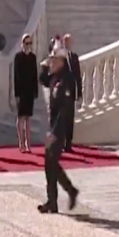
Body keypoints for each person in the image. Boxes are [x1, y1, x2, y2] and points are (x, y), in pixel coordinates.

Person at [38, 36, 79, 213]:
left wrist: (55, 133)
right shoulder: (55, 77)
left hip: (59, 130)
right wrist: (44, 66)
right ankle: (60, 196)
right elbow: (42, 80)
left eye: (54, 60)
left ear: (62, 61)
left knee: (51, 163)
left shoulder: (67, 80)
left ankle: (57, 197)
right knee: (50, 163)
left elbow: (66, 110)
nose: (52, 62)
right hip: (52, 127)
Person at [14, 33, 39, 153]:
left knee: (28, 118)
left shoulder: (33, 57)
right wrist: (17, 94)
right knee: (21, 117)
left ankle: (28, 143)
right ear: (22, 44)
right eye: (26, 43)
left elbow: (35, 75)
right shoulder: (18, 57)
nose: (28, 45)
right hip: (21, 91)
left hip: (30, 91)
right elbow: (16, 76)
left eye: (30, 43)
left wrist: (36, 91)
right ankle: (20, 142)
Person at [62, 34, 81, 152]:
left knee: (70, 119)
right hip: (62, 93)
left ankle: (69, 143)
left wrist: (79, 93)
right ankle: (62, 142)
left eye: (69, 42)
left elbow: (77, 76)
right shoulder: (60, 57)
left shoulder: (74, 57)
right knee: (62, 119)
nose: (67, 44)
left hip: (72, 93)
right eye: (66, 42)